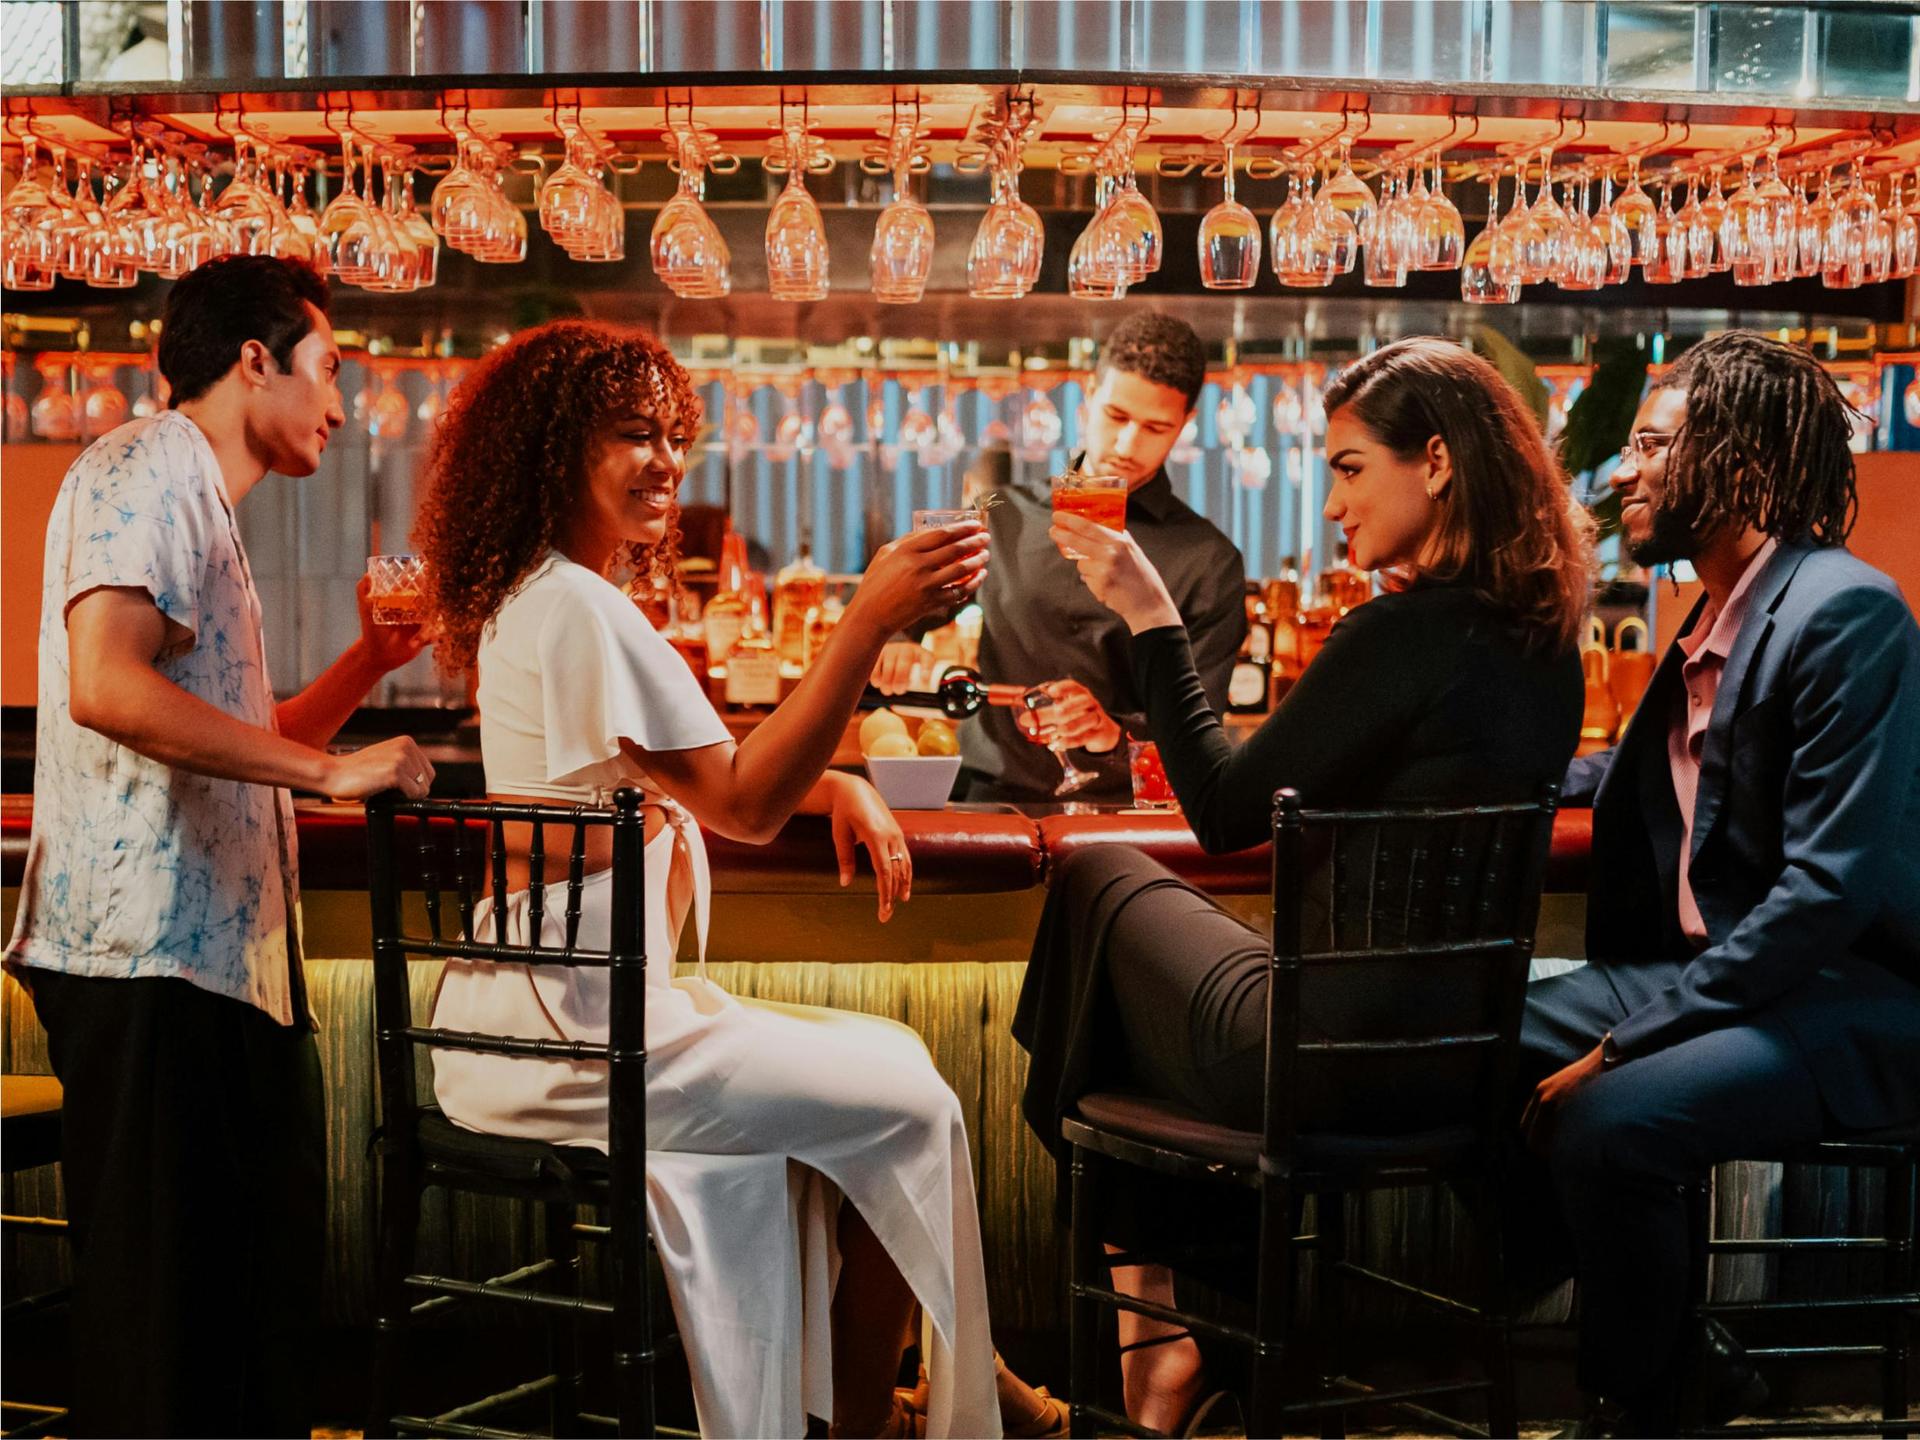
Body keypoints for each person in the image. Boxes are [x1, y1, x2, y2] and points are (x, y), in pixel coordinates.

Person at [412, 320, 1064, 1440]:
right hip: (591, 1040)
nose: (666, 459)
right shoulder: (581, 607)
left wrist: (833, 779)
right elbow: (742, 803)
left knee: (892, 1066)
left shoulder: (544, 597)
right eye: (634, 433)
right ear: (555, 451)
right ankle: (899, 1413)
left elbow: (685, 772)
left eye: (676, 434)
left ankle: (898, 1401)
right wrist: (867, 619)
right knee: (916, 1102)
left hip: (536, 1025)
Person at [1012, 336, 1593, 1432]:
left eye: (1350, 468)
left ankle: (1165, 1333)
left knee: (1093, 877)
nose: (1332, 505)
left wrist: (1150, 615)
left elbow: (1225, 811)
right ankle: (1171, 1341)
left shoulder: (1397, 636)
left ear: (1436, 462)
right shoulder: (1548, 643)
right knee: (1123, 948)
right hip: (1456, 1070)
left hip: (1316, 1065)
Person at [3, 255, 433, 1438]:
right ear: (256, 360)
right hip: (146, 965)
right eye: (328, 370)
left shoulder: (196, 496)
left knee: (246, 1333)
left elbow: (248, 738)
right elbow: (106, 684)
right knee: (166, 1345)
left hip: (218, 973)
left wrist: (368, 666)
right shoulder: (143, 465)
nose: (340, 406)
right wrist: (332, 775)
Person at [1513, 330, 1920, 1437]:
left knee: (1609, 1125)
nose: (1622, 470)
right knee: (1474, 1047)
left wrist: (1621, 1046)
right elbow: (1652, 774)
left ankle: (1640, 1408)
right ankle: (1685, 1361)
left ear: (1742, 465)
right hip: (1723, 973)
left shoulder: (1847, 611)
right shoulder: (1718, 611)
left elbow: (1827, 889)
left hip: (1847, 992)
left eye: (1653, 445)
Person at [875, 312, 1246, 803]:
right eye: (1116, 416)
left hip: (1126, 808)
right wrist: (894, 637)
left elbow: (1199, 731)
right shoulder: (1003, 514)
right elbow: (903, 601)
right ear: (1088, 396)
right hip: (992, 799)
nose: (1128, 445)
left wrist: (1110, 733)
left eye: (1156, 427)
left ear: (1185, 424)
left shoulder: (1209, 560)